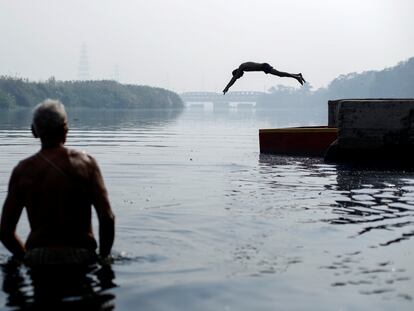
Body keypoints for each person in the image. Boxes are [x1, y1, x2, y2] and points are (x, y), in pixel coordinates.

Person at [0, 99, 115, 265]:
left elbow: (5, 232)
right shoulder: (87, 164)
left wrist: (25, 258)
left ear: (34, 131)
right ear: (65, 129)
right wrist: (103, 259)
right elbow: (107, 218)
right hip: (82, 257)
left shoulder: (23, 171)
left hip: (38, 258)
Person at [223, 62, 306, 94]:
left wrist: (227, 87)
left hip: (264, 67)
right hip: (263, 67)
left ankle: (296, 77)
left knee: (279, 74)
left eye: (239, 76)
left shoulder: (241, 67)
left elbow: (233, 79)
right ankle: (297, 75)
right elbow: (234, 78)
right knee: (279, 74)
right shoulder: (242, 67)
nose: (240, 77)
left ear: (237, 73)